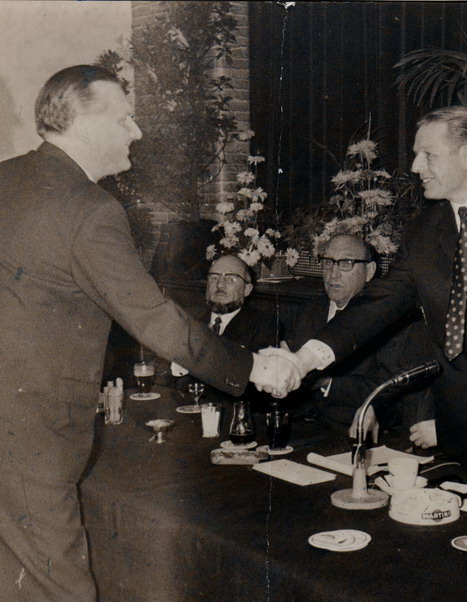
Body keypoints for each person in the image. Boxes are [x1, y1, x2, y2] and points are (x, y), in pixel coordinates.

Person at [0, 65, 298, 600]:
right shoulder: (89, 209)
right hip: (32, 437)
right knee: (59, 589)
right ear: (83, 123)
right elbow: (153, 317)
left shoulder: (5, 178)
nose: (136, 133)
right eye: (124, 119)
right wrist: (252, 366)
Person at [268, 106, 467, 487]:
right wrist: (305, 359)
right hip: (462, 430)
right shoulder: (423, 230)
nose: (416, 166)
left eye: (428, 155)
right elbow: (376, 303)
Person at [286, 234, 433, 441]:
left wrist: (327, 382)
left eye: (346, 263)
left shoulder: (393, 321)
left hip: (353, 433)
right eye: (328, 262)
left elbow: (392, 392)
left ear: (369, 271)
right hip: (299, 424)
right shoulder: (309, 310)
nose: (333, 274)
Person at [169, 254, 282, 408]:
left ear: (247, 289)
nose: (220, 284)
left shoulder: (264, 325)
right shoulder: (189, 320)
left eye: (230, 279)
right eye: (214, 278)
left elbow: (253, 390)